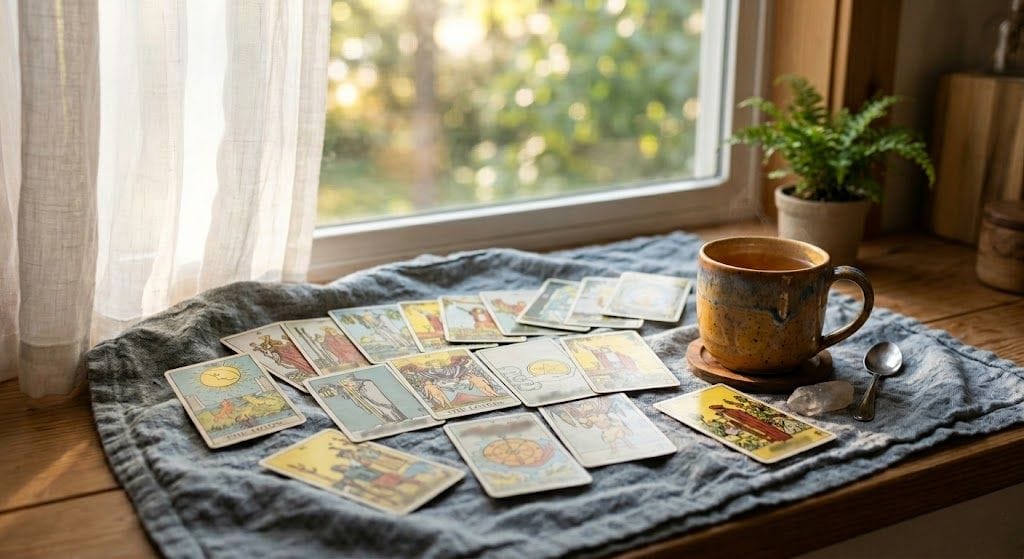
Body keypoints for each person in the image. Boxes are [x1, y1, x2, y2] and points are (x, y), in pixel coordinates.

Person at [709, 404, 791, 442]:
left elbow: (741, 418)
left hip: (753, 423)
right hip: (750, 424)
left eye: (715, 410)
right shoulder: (726, 413)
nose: (716, 411)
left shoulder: (730, 411)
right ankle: (778, 438)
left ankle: (782, 437)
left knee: (766, 429)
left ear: (718, 408)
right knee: (764, 431)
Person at [340, 378, 406, 423]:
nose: (349, 386)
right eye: (346, 385)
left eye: (348, 384)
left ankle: (398, 420)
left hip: (382, 404)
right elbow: (361, 403)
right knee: (386, 414)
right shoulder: (357, 390)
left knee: (389, 412)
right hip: (377, 406)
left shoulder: (366, 384)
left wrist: (360, 393)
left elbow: (375, 397)